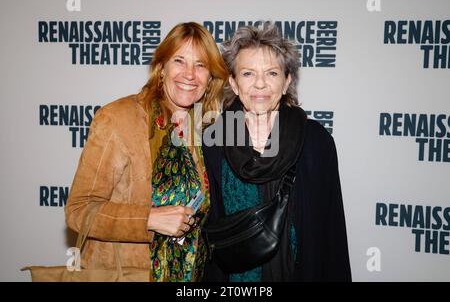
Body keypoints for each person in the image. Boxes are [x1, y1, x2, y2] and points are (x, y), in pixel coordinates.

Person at [65, 22, 228, 282]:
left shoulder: (206, 129)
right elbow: (79, 211)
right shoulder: (118, 118)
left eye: (200, 65)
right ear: (161, 68)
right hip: (127, 275)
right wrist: (149, 218)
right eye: (179, 61)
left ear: (210, 78)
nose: (189, 74)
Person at [202, 25, 352, 281]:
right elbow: (209, 232)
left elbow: (331, 230)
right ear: (234, 84)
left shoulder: (315, 141)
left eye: (271, 73)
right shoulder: (213, 142)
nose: (260, 84)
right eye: (248, 73)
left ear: (287, 82)